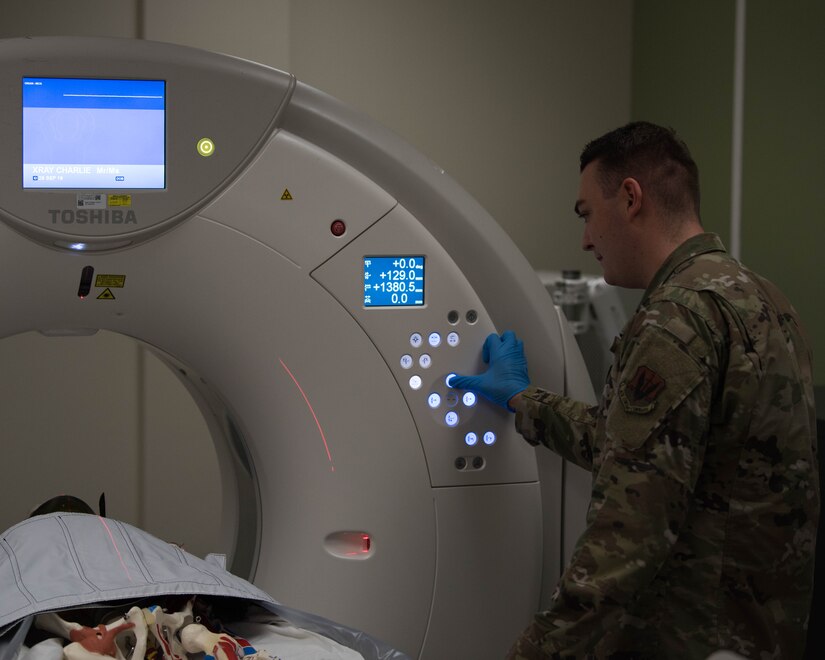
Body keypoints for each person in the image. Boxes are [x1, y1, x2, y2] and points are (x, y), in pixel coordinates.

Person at [450, 122, 819, 659]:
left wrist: (535, 652)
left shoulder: (675, 319)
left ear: (629, 198)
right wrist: (520, 399)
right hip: (760, 633)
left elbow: (627, 536)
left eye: (585, 214)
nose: (584, 239)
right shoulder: (764, 299)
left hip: (692, 636)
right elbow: (640, 447)